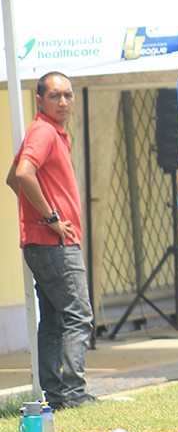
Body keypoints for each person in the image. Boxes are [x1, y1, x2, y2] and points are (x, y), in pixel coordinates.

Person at [6, 71, 95, 410]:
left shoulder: (48, 131)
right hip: (53, 242)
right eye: (56, 96)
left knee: (56, 318)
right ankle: (73, 394)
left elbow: (13, 178)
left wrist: (35, 214)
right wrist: (50, 217)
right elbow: (24, 173)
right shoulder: (43, 130)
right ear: (40, 100)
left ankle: (57, 395)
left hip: (42, 241)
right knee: (78, 314)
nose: (63, 102)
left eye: (68, 95)